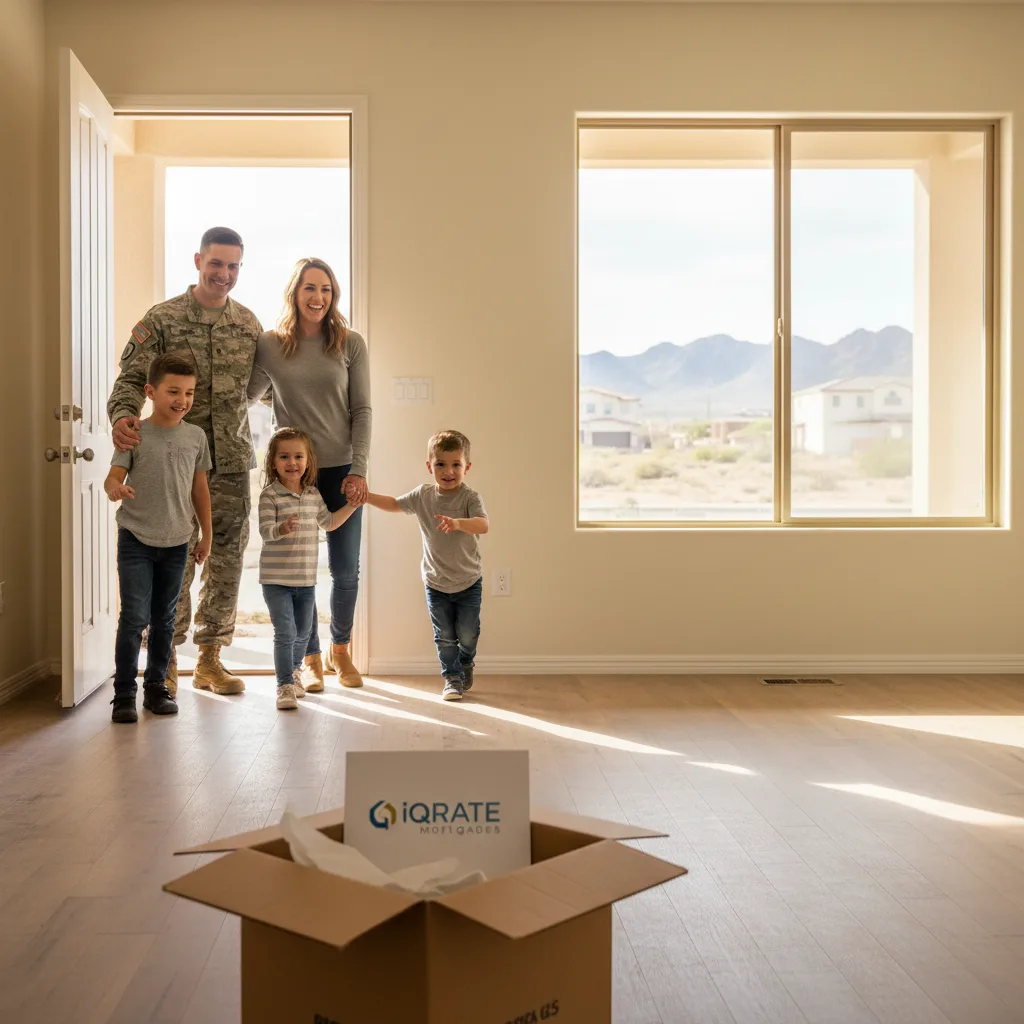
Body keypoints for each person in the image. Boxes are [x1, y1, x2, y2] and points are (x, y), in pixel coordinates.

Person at [107, 226, 262, 698]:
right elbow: (130, 380)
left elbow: (266, 386)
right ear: (198, 261)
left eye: (233, 265)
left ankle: (211, 659)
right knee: (173, 558)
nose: (224, 274)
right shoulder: (163, 319)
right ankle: (166, 659)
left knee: (226, 559)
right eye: (216, 263)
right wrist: (123, 418)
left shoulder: (248, 325)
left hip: (229, 462)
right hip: (170, 462)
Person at [247, 257, 370, 691]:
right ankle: (311, 657)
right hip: (295, 474)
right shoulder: (271, 344)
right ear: (295, 293)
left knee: (345, 569)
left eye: (326, 289)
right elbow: (249, 394)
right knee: (300, 571)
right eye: (310, 288)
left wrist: (359, 470)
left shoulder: (350, 343)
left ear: (333, 295)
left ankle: (341, 649)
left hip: (341, 469)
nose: (318, 297)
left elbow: (362, 410)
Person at [104, 353, 213, 723]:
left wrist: (206, 536)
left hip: (178, 541)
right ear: (150, 392)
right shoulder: (135, 433)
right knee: (134, 617)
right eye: (173, 391)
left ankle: (156, 688)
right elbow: (113, 477)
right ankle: (123, 693)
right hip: (136, 538)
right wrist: (115, 489)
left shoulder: (196, 437)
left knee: (165, 618)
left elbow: (200, 490)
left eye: (189, 393)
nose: (182, 400)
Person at [365, 430, 488, 701]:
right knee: (444, 635)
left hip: (468, 581)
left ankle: (466, 661)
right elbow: (395, 504)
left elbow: (483, 525)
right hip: (436, 582)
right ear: (429, 466)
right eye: (441, 464)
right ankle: (452, 678)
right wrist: (366, 496)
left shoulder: (469, 498)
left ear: (467, 467)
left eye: (456, 464)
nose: (448, 471)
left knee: (467, 634)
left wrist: (458, 523)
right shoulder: (423, 495)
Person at [258, 428, 363, 710]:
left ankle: (294, 672)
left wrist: (352, 507)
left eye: (298, 456)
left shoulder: (313, 495)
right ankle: (283, 685)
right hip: (276, 580)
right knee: (285, 632)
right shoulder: (270, 496)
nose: (292, 462)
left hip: (305, 581)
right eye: (284, 457)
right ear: (273, 462)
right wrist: (281, 528)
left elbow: (329, 523)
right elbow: (265, 531)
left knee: (303, 633)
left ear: (308, 461)